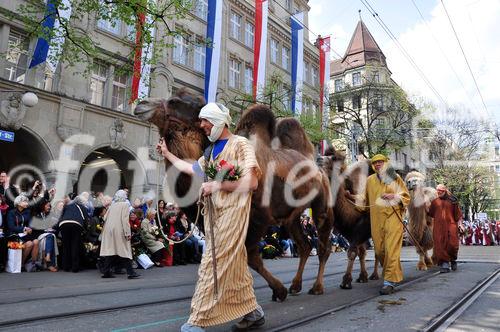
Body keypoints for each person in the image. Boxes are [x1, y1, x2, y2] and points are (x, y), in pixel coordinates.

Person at [157, 102, 264, 331]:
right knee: (234, 265)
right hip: (215, 215)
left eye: (205, 121)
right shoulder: (210, 150)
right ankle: (252, 312)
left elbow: (252, 182)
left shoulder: (240, 144)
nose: (202, 125)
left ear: (218, 121)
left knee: (212, 261)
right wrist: (167, 154)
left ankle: (198, 319)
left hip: (234, 213)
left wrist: (217, 185)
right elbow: (192, 169)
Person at [357, 154, 410, 295]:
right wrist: (349, 198)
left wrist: (395, 196)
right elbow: (364, 201)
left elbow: (406, 196)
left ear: (386, 163)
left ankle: (389, 282)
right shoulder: (369, 180)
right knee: (379, 251)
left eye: (381, 162)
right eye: (375, 163)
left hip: (393, 218)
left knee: (391, 250)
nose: (378, 164)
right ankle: (394, 274)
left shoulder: (395, 177)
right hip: (376, 220)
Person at [99, 190, 140, 279]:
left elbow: (105, 217)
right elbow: (125, 220)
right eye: (125, 195)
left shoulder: (112, 205)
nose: (126, 196)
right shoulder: (125, 205)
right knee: (124, 250)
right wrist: (127, 233)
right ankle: (131, 272)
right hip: (119, 230)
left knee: (111, 251)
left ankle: (106, 272)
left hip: (108, 230)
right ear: (124, 196)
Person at [428, 184, 464, 272]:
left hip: (451, 226)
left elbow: (458, 215)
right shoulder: (434, 202)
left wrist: (460, 224)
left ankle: (453, 259)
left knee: (453, 245)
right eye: (437, 191)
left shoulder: (453, 201)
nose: (438, 192)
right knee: (440, 245)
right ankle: (445, 263)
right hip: (438, 228)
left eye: (440, 191)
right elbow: (430, 213)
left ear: (444, 191)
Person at [58, 193, 91, 272]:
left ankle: (66, 266)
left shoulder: (67, 206)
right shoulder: (82, 207)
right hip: (76, 224)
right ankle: (75, 267)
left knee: (66, 245)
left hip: (64, 224)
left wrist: (57, 228)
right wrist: (86, 230)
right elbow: (85, 219)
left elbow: (61, 217)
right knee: (75, 245)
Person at [6, 195, 39, 270]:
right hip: (15, 235)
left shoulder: (28, 212)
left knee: (36, 241)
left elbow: (31, 224)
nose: (27, 203)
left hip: (26, 235)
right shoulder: (12, 212)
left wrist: (30, 228)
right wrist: (24, 229)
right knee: (29, 244)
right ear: (19, 203)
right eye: (25, 201)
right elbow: (11, 226)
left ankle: (33, 264)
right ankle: (21, 264)